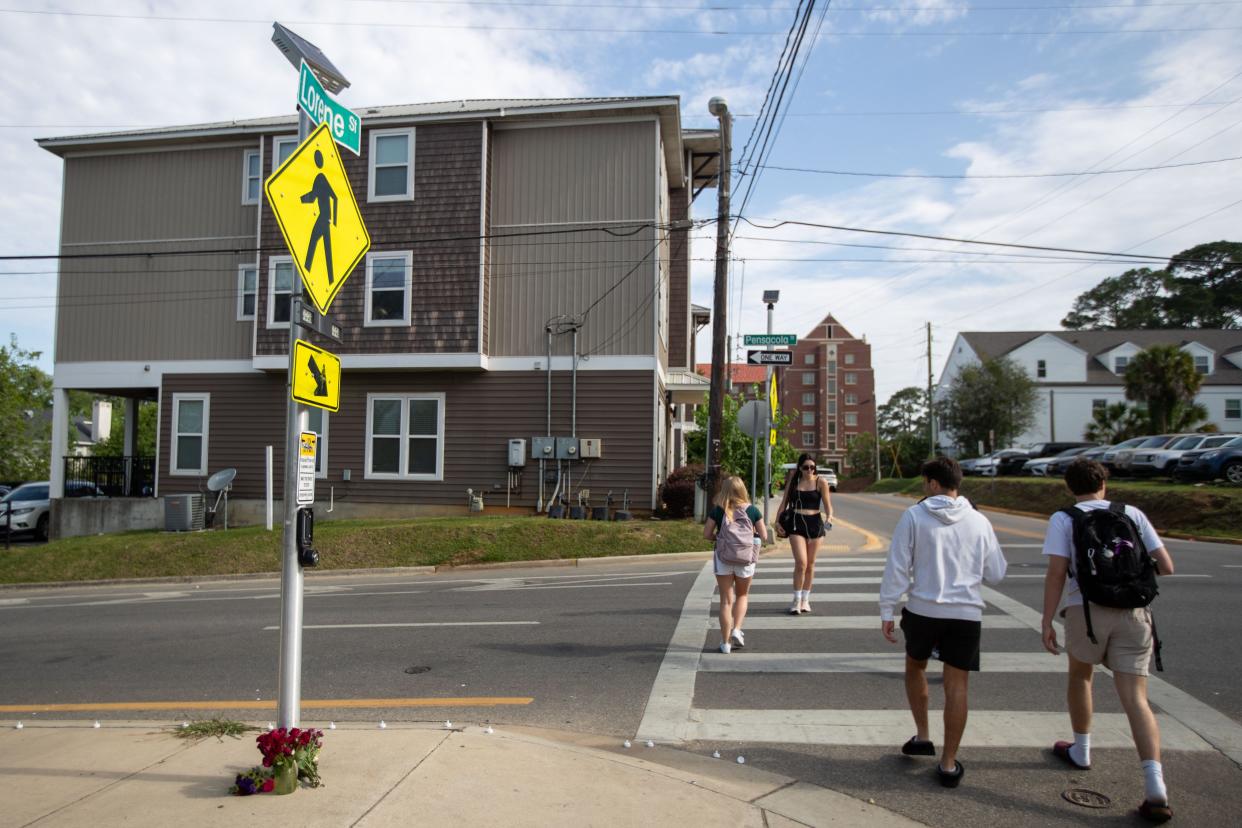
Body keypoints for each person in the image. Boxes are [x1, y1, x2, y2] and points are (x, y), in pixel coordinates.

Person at [1041, 458, 1175, 824]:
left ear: (1070, 487)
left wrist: (1047, 620)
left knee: (1081, 676)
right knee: (1136, 698)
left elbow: (1056, 573)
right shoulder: (1131, 513)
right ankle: (1155, 784)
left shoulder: (1064, 518)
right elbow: (1166, 565)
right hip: (1134, 612)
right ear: (1104, 484)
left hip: (1086, 609)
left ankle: (1081, 750)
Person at [879, 456, 1007, 788]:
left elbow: (897, 566)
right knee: (957, 686)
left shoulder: (913, 516)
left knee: (915, 667)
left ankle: (922, 735)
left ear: (934, 483)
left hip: (923, 611)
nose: (924, 487)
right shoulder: (979, 521)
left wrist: (887, 610)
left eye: (926, 482)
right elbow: (997, 572)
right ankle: (948, 764)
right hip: (965, 614)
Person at [703, 476, 766, 654]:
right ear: (742, 490)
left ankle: (725, 644)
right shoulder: (752, 510)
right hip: (745, 559)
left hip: (723, 558)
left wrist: (720, 538)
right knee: (742, 595)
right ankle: (737, 629)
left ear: (725, 490)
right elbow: (764, 535)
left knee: (725, 601)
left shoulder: (718, 510)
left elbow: (706, 534)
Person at [774, 453, 834, 615]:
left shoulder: (821, 482)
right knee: (801, 563)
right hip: (796, 523)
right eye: (806, 467)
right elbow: (784, 502)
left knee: (810, 564)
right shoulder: (794, 482)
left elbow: (828, 506)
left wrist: (829, 517)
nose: (810, 470)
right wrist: (777, 521)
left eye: (812, 467)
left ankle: (805, 600)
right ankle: (796, 599)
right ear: (800, 468)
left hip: (815, 523)